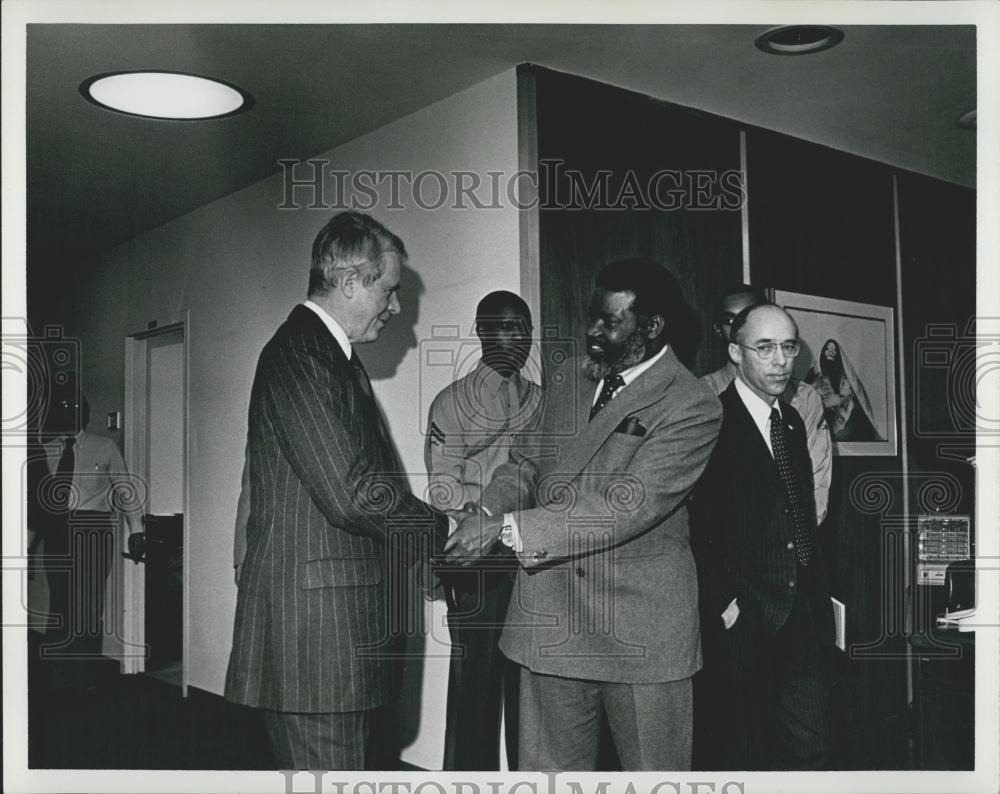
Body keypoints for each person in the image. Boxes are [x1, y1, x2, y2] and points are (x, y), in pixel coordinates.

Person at [445, 258, 722, 771]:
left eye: (609, 322)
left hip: (639, 631)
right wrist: (486, 506)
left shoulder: (691, 404)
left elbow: (626, 506)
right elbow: (526, 463)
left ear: (652, 327)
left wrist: (506, 529)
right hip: (551, 621)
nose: (592, 331)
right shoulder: (571, 375)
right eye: (591, 316)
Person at [224, 211, 451, 770]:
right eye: (389, 290)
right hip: (318, 645)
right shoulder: (302, 353)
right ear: (350, 282)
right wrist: (440, 526)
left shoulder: (326, 356)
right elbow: (351, 493)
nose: (396, 307)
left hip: (332, 639)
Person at [690, 304, 836, 770]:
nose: (780, 360)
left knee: (812, 753)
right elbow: (692, 527)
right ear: (735, 352)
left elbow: (797, 511)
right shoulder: (707, 422)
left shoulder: (790, 421)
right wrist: (725, 605)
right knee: (746, 758)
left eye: (788, 347)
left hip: (803, 618)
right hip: (744, 624)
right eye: (765, 347)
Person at [424, 290, 541, 771]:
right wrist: (477, 515)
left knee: (529, 697)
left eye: (525, 327)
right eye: (505, 326)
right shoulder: (452, 403)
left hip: (531, 558)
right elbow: (441, 484)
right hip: (477, 563)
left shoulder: (541, 401)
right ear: (481, 330)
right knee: (475, 692)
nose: (518, 338)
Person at [40, 390, 144, 691]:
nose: (69, 412)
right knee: (60, 605)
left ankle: (84, 681)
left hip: (93, 530)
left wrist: (136, 531)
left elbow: (125, 490)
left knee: (87, 606)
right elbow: (35, 504)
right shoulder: (46, 451)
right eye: (63, 407)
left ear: (84, 413)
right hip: (57, 531)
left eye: (74, 407)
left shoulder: (105, 447)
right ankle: (57, 681)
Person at [702, 285, 833, 524]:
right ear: (718, 331)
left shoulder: (803, 398)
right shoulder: (702, 396)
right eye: (730, 320)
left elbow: (816, 483)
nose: (739, 327)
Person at [805, 338, 883, 442]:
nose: (823, 388)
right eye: (822, 377)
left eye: (834, 376)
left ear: (851, 388)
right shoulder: (819, 421)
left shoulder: (863, 428)